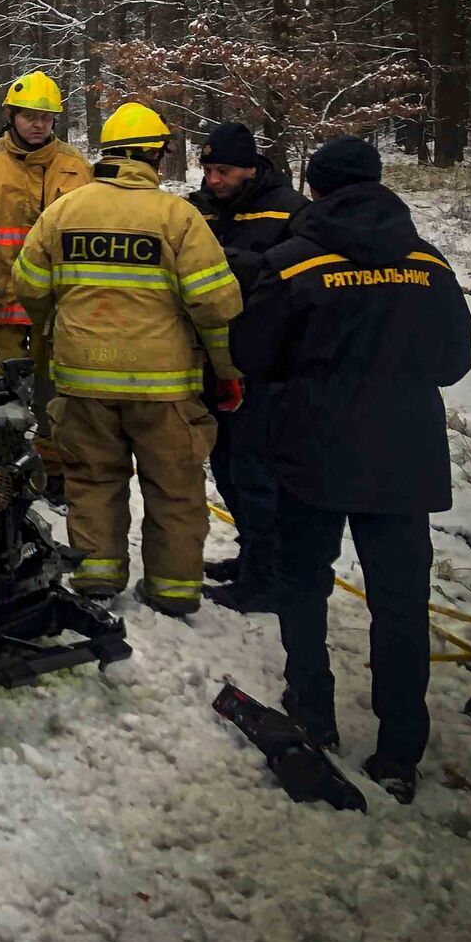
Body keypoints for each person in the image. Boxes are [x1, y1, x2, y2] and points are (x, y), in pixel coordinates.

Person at [231, 135, 471, 804]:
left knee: (304, 583)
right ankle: (400, 748)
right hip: (405, 455)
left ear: (314, 187)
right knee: (401, 605)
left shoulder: (290, 263)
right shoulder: (429, 264)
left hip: (313, 449)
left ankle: (313, 710)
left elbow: (251, 353)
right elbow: (455, 361)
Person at [13, 102, 243, 615]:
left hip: (82, 381)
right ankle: (174, 589)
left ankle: (96, 573)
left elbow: (27, 285)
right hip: (163, 390)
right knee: (175, 489)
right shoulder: (177, 216)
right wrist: (225, 369)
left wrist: (60, 317)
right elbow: (216, 304)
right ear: (154, 156)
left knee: (92, 478)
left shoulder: (64, 211)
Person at [0, 72, 92, 490]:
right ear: (11, 115)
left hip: (55, 313)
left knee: (57, 400)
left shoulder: (76, 168)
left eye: (46, 117)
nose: (38, 124)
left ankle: (53, 477)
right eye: (29, 115)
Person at [185, 121, 308, 614]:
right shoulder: (199, 209)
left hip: (264, 361)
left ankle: (267, 576)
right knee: (227, 465)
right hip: (213, 356)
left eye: (224, 171)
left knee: (255, 471)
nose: (213, 180)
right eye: (208, 169)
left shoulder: (290, 210)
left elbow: (293, 278)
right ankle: (252, 554)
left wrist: (227, 263)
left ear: (251, 169)